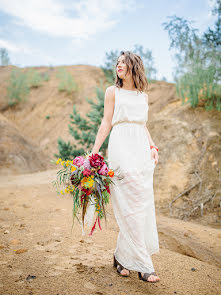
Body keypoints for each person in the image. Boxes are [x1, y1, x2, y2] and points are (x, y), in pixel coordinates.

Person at [91, 50, 160, 283]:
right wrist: (95, 150)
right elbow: (106, 122)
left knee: (139, 204)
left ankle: (121, 257)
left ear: (134, 66)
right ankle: (144, 265)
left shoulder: (143, 96)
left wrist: (152, 146)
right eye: (117, 63)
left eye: (123, 62)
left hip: (141, 150)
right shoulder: (113, 92)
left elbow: (143, 125)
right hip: (121, 147)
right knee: (128, 203)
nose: (119, 66)